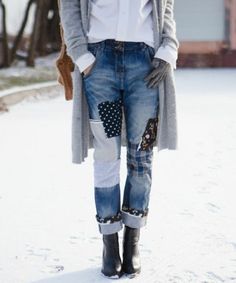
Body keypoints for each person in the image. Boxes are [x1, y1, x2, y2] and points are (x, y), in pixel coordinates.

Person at [59, 0, 179, 279]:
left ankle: (132, 241)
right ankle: (109, 242)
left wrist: (167, 50)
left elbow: (167, 8)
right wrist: (81, 55)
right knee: (106, 156)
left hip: (145, 64)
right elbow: (70, 8)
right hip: (99, 64)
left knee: (142, 154)